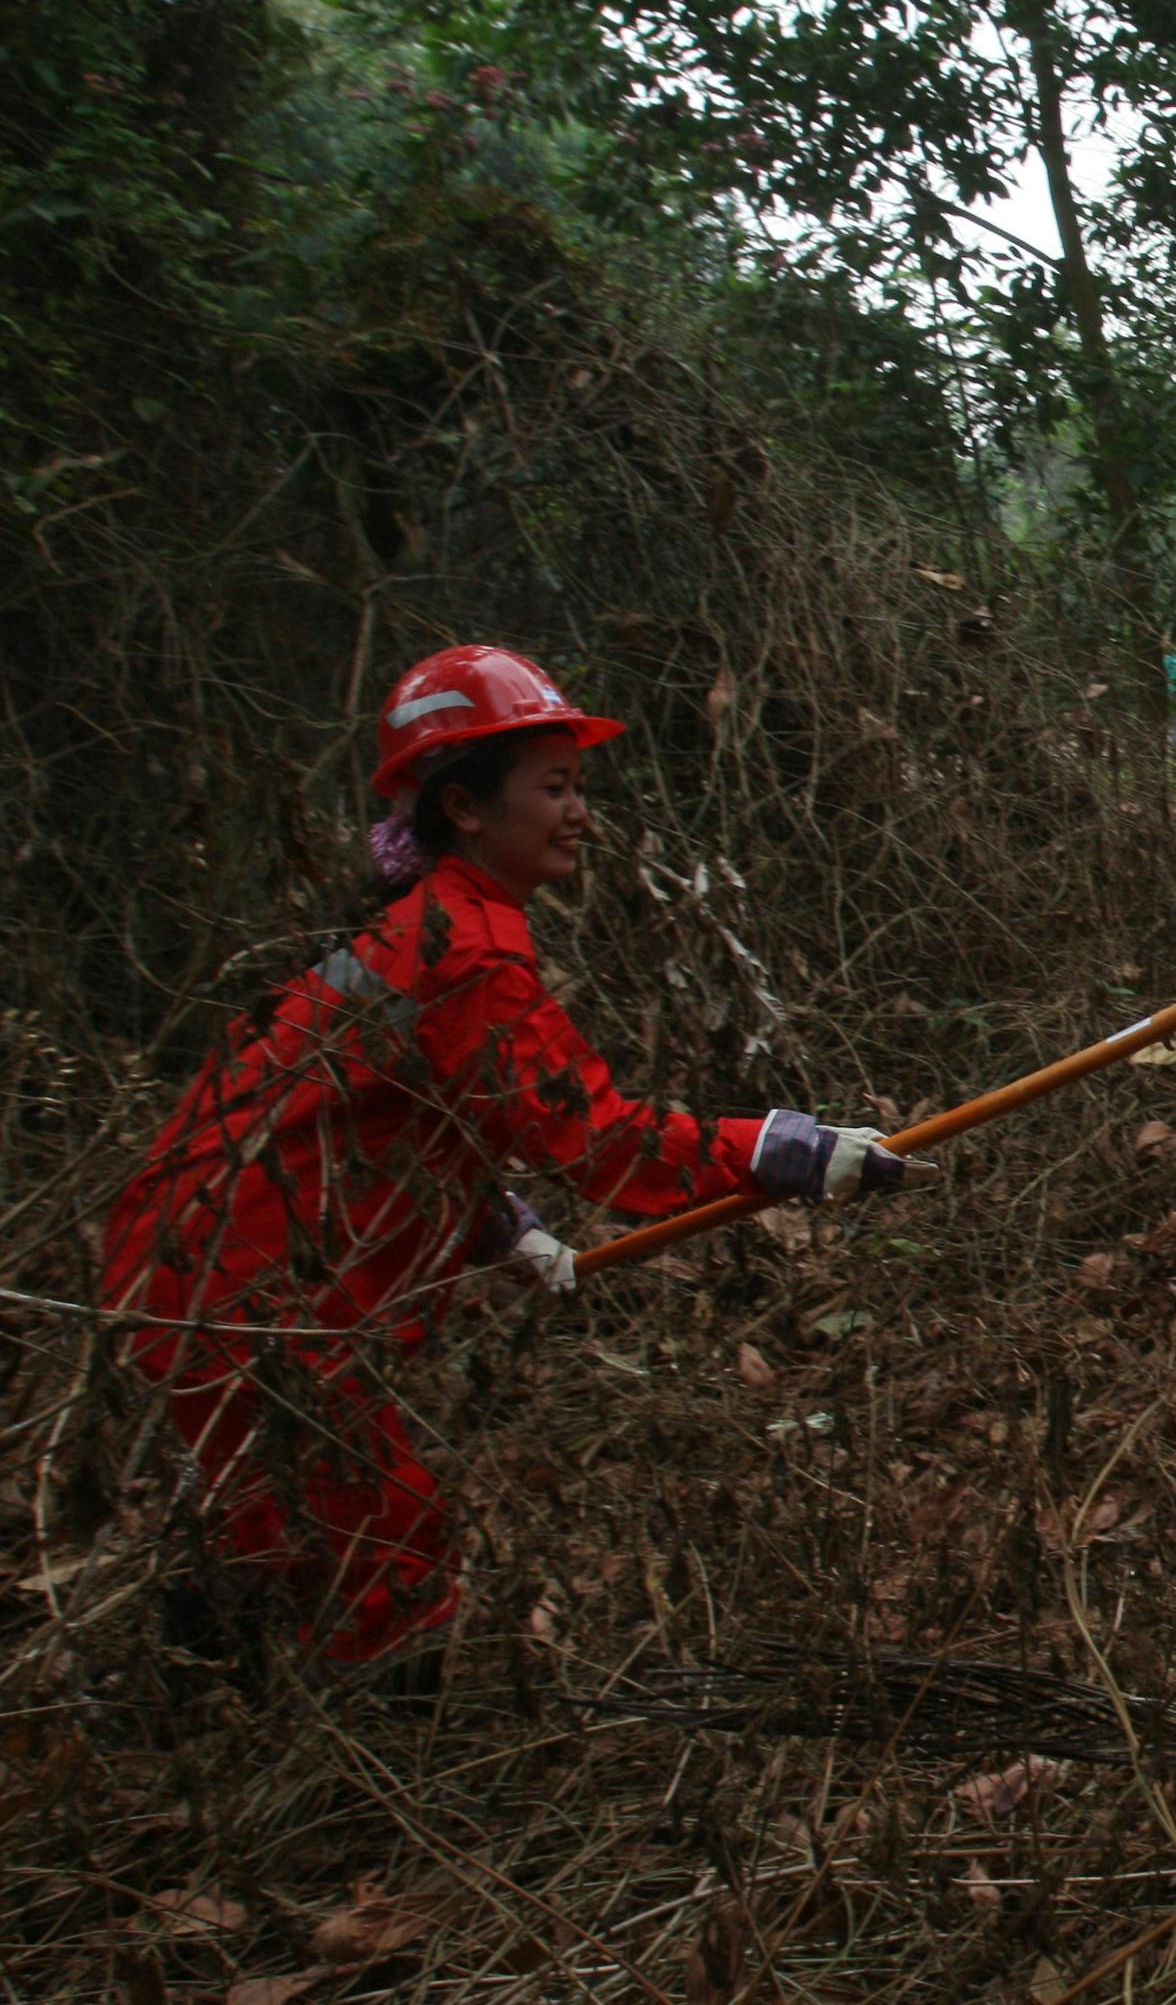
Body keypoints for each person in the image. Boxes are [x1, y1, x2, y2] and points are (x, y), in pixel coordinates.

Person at [101, 645, 937, 1675]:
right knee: (388, 1551)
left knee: (286, 1539)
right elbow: (593, 1140)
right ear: (464, 808)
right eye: (553, 788)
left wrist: (492, 1221)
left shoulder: (427, 927)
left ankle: (196, 1696)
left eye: (578, 786)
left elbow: (376, 1117)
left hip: (197, 1276)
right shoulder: (464, 947)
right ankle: (364, 1750)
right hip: (238, 1299)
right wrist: (779, 1150)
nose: (580, 813)